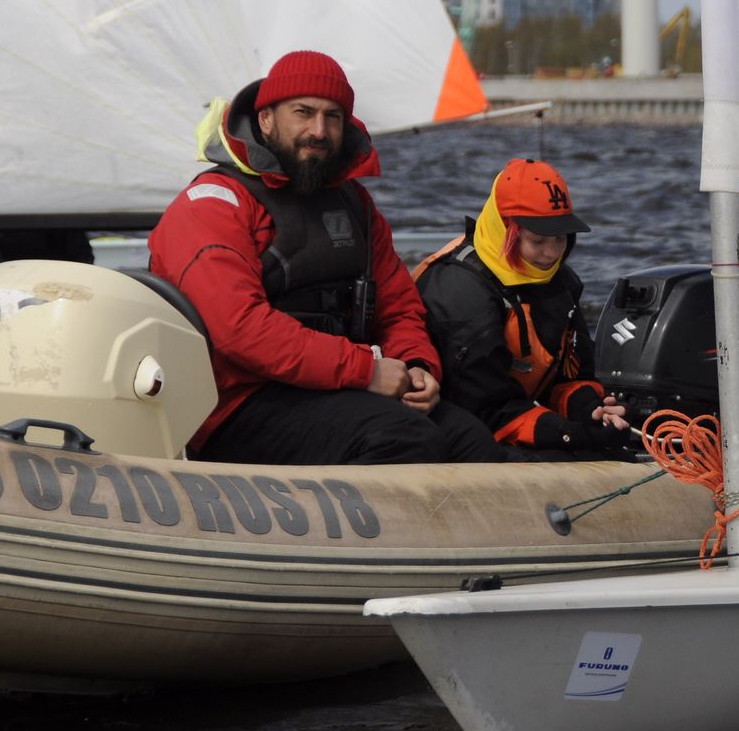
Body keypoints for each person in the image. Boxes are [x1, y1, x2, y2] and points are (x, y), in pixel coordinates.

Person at [149, 50, 503, 466]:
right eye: (303, 112)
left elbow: (399, 309)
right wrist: (366, 370)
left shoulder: (355, 206)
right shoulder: (211, 205)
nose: (319, 130)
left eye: (332, 116)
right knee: (402, 439)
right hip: (238, 405)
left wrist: (416, 364)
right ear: (266, 119)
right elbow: (239, 328)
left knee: (471, 442)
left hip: (341, 390)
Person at [414, 159, 634, 457]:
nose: (552, 252)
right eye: (538, 240)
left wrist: (592, 411)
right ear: (506, 230)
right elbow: (487, 406)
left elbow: (570, 378)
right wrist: (568, 435)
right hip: (455, 420)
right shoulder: (462, 291)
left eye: (560, 237)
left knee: (612, 448)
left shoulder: (562, 282)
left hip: (515, 410)